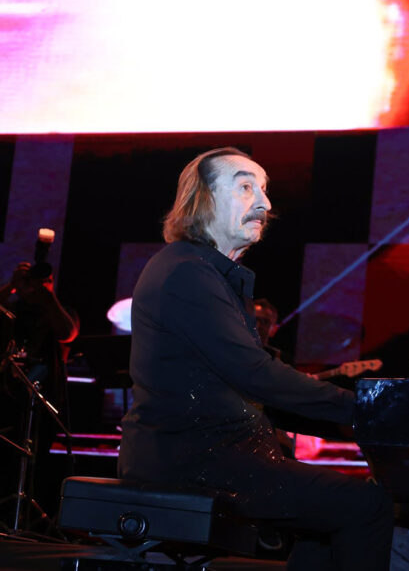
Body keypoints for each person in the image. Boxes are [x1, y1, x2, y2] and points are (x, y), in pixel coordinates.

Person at [118, 147, 392, 569]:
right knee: (367, 506)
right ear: (202, 199)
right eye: (246, 187)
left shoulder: (204, 271)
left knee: (333, 510)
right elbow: (255, 374)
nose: (264, 203)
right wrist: (364, 411)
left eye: (264, 189)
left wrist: (350, 418)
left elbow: (245, 381)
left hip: (212, 454)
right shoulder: (187, 272)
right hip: (195, 460)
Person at [0, 259, 79, 523]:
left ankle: (28, 519)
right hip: (6, 399)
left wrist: (46, 294)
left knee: (36, 462)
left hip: (44, 402)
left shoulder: (60, 311)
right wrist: (11, 286)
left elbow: (67, 333)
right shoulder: (12, 309)